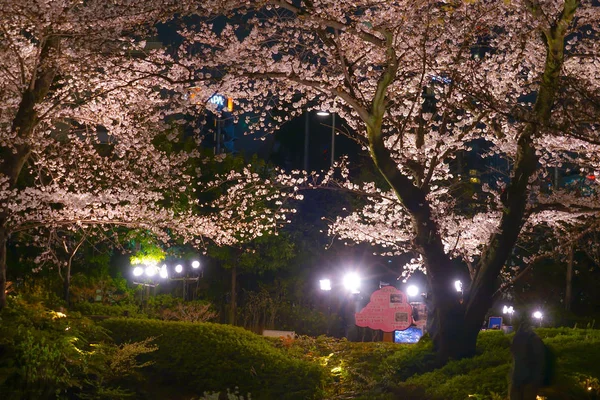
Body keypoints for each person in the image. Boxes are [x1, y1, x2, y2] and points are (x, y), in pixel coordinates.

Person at [509, 318, 546, 400]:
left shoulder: (516, 338)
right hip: (531, 378)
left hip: (518, 376)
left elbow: (514, 355)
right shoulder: (535, 339)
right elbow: (540, 358)